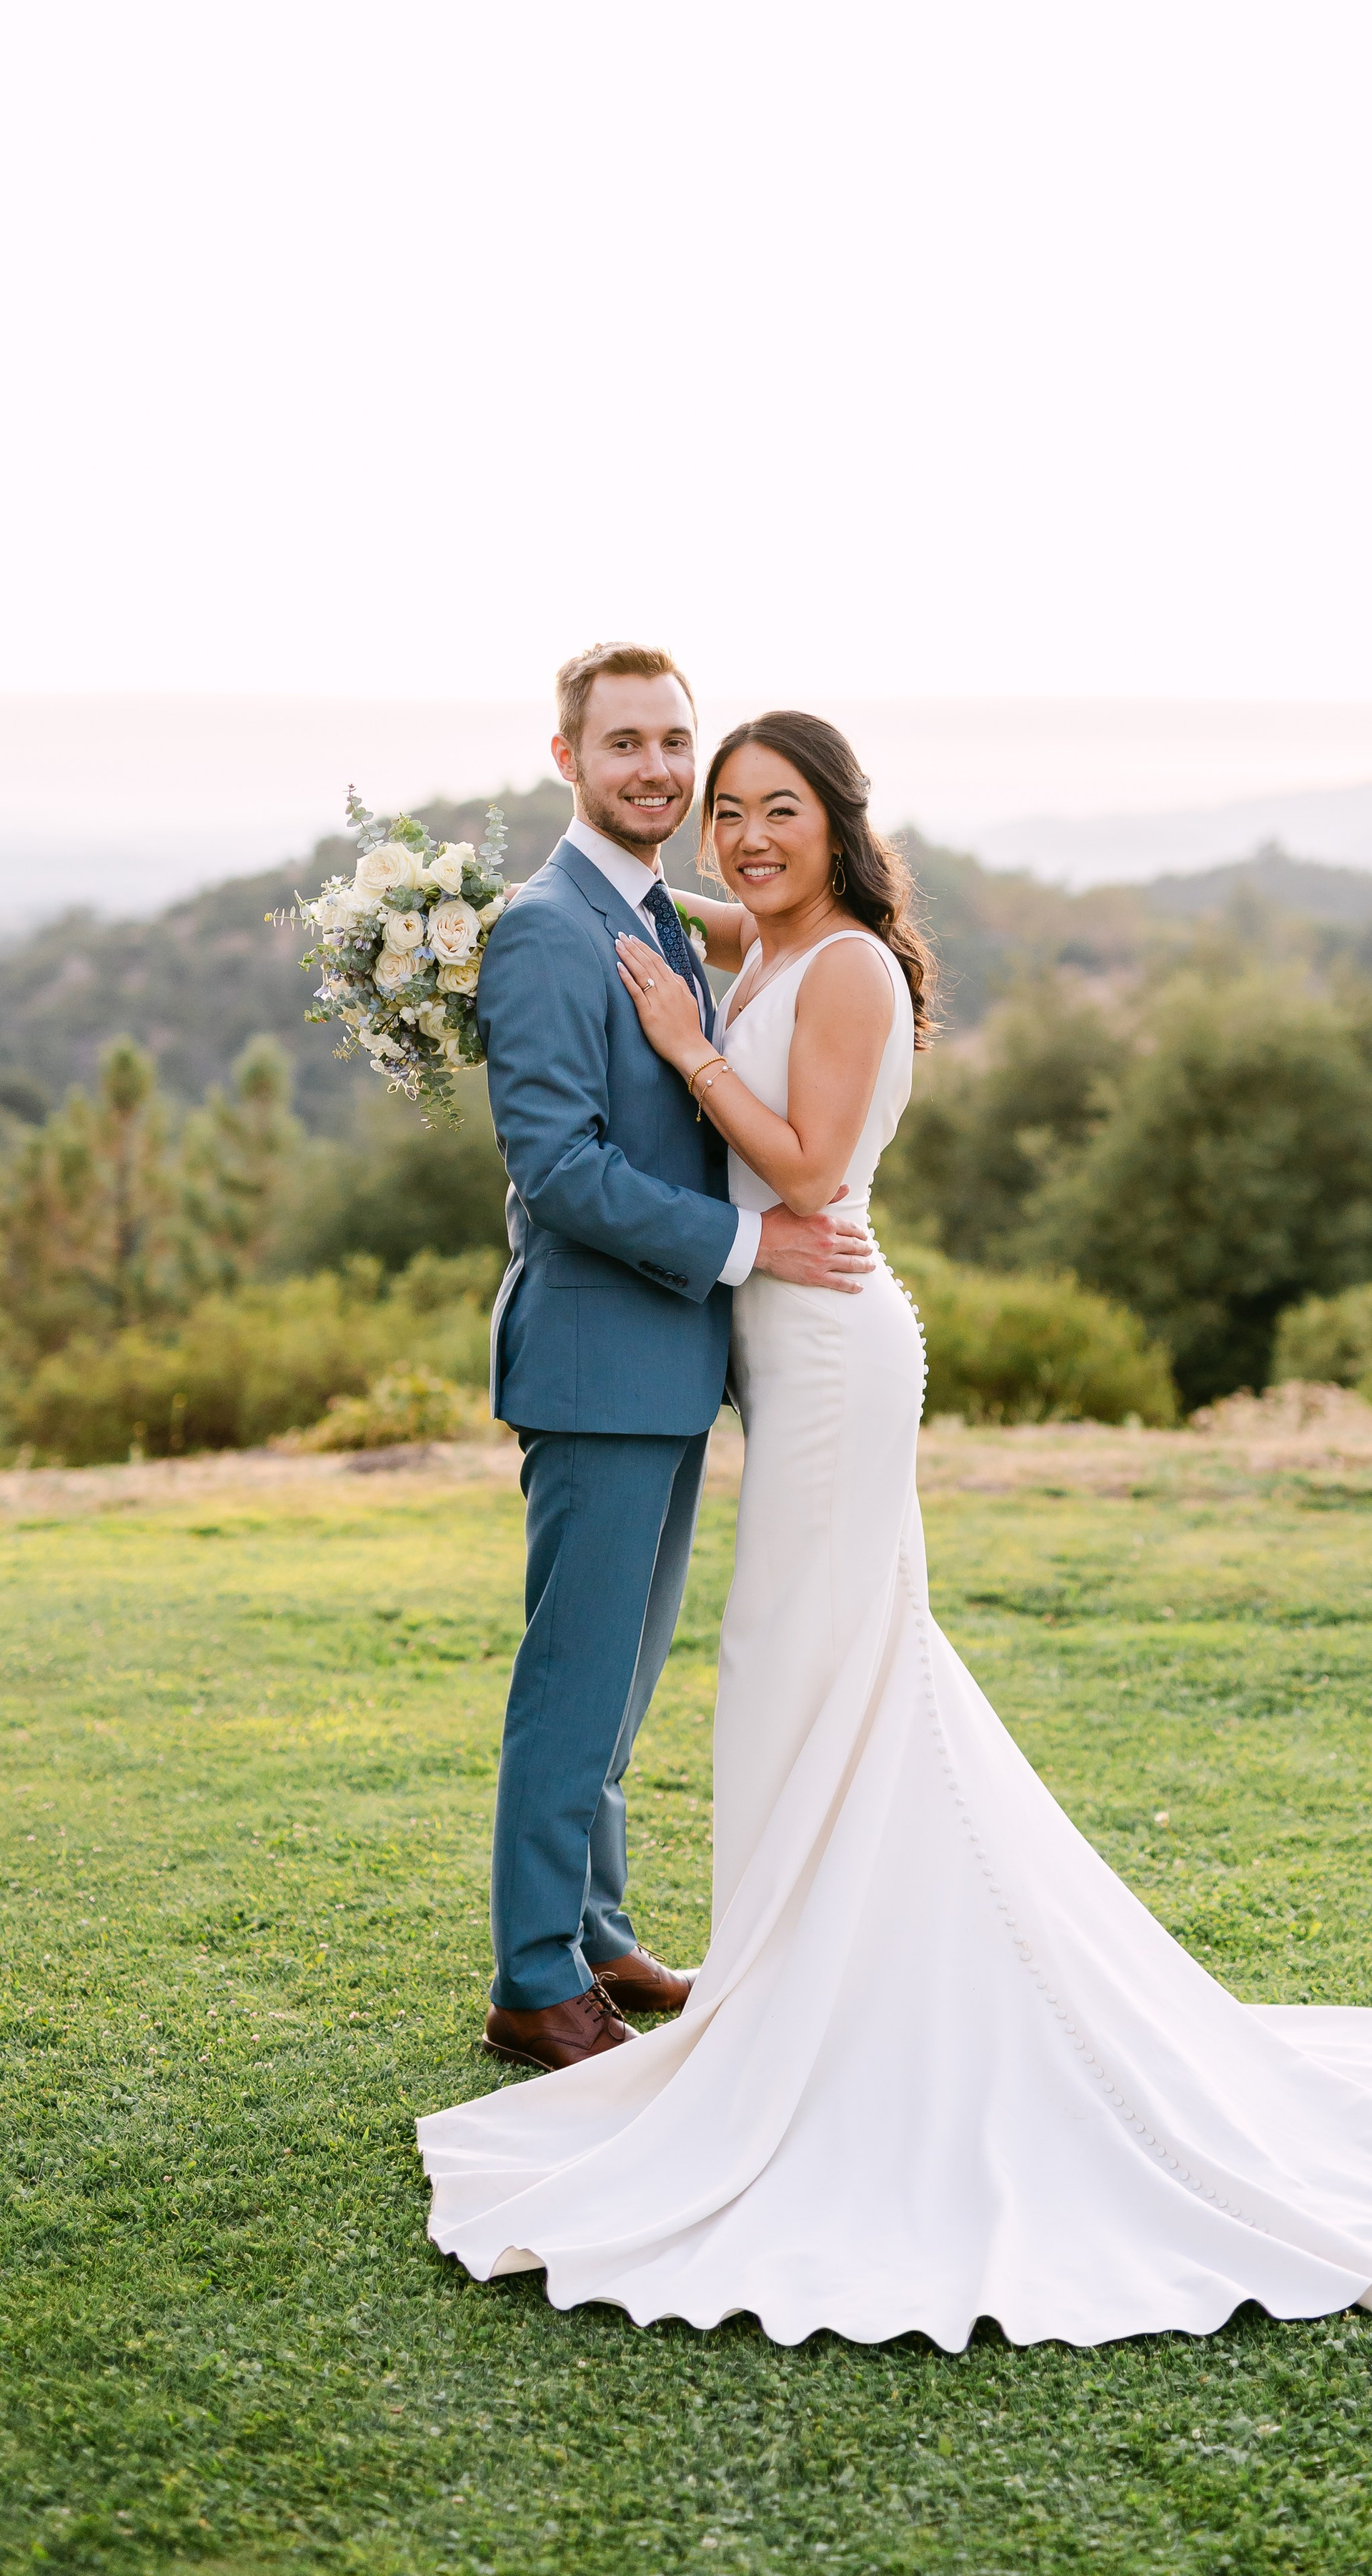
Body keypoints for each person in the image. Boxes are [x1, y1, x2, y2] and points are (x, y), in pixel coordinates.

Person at [422, 711, 1372, 2349]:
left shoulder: (851, 965)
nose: (738, 834)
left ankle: (816, 1998)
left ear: (838, 823)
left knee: (810, 1657)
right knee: (807, 1662)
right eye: (718, 807)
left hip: (825, 1339)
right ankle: (784, 1975)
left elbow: (800, 1166)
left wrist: (685, 1045)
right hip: (775, 1350)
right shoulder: (748, 934)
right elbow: (648, 919)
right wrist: (591, 926)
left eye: (772, 809)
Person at [472, 648, 872, 2074]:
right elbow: (562, 1171)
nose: (651, 767)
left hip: (661, 1362)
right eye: (623, 741)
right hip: (594, 1360)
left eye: (670, 743)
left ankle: (593, 1929)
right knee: (574, 1676)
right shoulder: (540, 930)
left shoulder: (646, 911)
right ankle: (533, 1980)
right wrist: (746, 1248)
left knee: (623, 1679)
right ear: (566, 756)